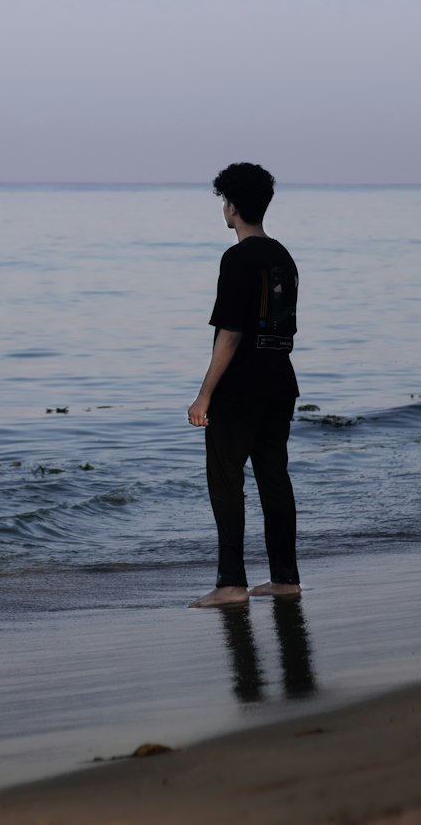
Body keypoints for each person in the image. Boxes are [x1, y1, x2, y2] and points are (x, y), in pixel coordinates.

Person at [187, 162, 301, 607]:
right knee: (274, 479)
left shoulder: (237, 258)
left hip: (240, 389)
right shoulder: (283, 255)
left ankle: (231, 583)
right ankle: (285, 578)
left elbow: (231, 334)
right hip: (280, 383)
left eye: (224, 202)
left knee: (225, 480)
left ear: (232, 207)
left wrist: (204, 394)